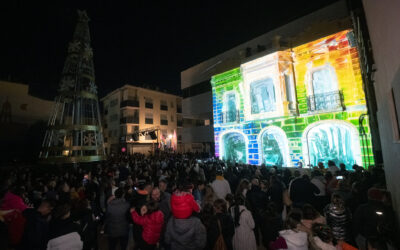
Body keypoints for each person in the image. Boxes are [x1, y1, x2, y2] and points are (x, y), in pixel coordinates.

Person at [246, 178, 269, 246]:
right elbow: (266, 204)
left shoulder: (249, 193)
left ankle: (257, 243)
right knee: (263, 229)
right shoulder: (263, 193)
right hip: (262, 213)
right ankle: (265, 243)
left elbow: (248, 204)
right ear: (258, 184)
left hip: (253, 213)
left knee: (255, 230)